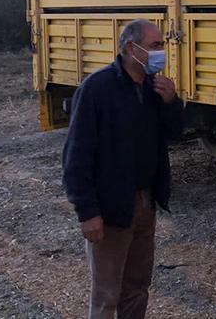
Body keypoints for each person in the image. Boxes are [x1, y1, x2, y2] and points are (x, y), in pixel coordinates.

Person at [62, 19, 184, 318]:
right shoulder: (97, 89)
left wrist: (171, 102)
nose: (162, 52)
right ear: (132, 48)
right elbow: (76, 156)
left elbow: (174, 134)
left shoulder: (154, 88)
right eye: (156, 45)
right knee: (107, 294)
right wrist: (87, 213)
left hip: (146, 202)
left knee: (138, 286)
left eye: (162, 46)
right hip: (111, 206)